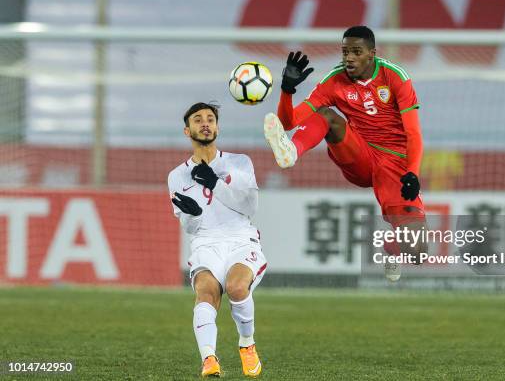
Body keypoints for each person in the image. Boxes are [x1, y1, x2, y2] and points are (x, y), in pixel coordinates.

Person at [263, 25, 426, 280]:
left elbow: (413, 133)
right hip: (359, 154)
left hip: (394, 164)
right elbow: (289, 122)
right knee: (327, 116)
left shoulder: (395, 77)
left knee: (417, 250)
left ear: (372, 53)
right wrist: (287, 90)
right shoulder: (333, 81)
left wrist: (413, 173)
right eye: (345, 51)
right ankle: (292, 150)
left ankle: (391, 248)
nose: (349, 57)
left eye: (356, 52)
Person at [168, 102, 266, 377]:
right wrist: (194, 214)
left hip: (241, 240)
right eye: (198, 119)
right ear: (188, 131)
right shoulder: (176, 176)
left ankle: (247, 345)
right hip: (205, 243)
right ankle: (209, 359)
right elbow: (190, 227)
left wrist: (215, 183)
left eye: (210, 118)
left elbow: (250, 207)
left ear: (218, 127)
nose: (205, 123)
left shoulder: (239, 162)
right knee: (206, 293)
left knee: (236, 287)